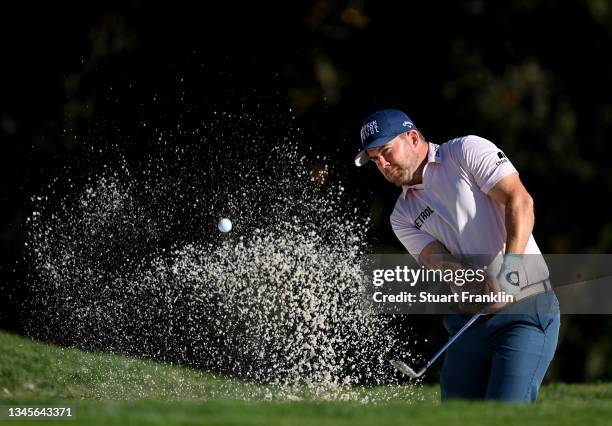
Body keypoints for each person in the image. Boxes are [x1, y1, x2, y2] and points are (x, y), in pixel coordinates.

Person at [355, 109, 560, 402]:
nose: (384, 165)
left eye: (387, 152)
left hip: (525, 312)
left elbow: (520, 200)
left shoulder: (466, 151)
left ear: (412, 138)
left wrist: (511, 270)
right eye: (376, 160)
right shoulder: (402, 215)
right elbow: (436, 261)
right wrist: (478, 281)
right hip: (468, 323)